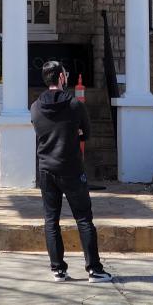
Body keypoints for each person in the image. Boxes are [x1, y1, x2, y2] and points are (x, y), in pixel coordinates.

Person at [31, 59, 112, 283]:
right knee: (84, 219)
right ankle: (94, 270)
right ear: (61, 78)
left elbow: (40, 131)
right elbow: (86, 133)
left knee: (51, 219)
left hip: (46, 169)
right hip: (71, 168)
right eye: (64, 74)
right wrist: (73, 134)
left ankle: (58, 270)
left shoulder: (35, 107)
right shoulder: (75, 105)